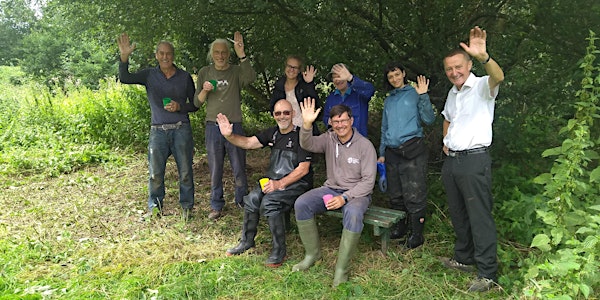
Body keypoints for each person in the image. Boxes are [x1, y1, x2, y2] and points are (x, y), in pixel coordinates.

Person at [439, 26, 504, 292]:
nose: (454, 73)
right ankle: (464, 259)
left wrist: (484, 57)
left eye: (458, 67)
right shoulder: (453, 92)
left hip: (475, 160)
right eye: (449, 69)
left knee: (479, 216)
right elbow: (448, 118)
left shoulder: (481, 85)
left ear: (468, 64)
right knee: (459, 214)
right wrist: (445, 143)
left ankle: (488, 273)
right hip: (453, 161)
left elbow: (498, 77)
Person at [216, 99, 313, 267]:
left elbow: (303, 169)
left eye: (286, 113)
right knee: (252, 198)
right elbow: (247, 143)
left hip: (297, 183)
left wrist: (280, 183)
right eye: (278, 113)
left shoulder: (301, 136)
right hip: (273, 180)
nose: (282, 116)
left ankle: (279, 250)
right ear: (274, 116)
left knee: (270, 202)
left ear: (293, 114)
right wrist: (229, 135)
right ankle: (247, 241)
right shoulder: (273, 133)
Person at [292, 98, 377, 287]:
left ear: (351, 121)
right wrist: (306, 124)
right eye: (336, 122)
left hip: (356, 193)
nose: (340, 125)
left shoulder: (365, 146)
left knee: (353, 214)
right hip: (330, 188)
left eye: (344, 121)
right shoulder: (329, 138)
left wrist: (345, 197)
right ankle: (312, 255)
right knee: (301, 203)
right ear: (331, 123)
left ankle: (341, 270)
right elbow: (308, 144)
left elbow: (368, 183)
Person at [117, 33, 198, 221]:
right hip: (158, 130)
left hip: (181, 129)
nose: (165, 57)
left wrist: (180, 106)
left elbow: (194, 105)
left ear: (173, 55)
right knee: (155, 173)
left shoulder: (185, 77)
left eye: (168, 54)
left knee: (185, 172)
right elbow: (125, 78)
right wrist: (124, 57)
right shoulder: (149, 75)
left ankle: (186, 208)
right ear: (156, 55)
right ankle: (155, 208)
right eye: (161, 53)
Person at [194, 31, 257, 220]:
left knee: (239, 165)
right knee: (215, 167)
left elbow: (251, 78)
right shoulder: (205, 72)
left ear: (228, 54)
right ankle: (216, 204)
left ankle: (241, 200)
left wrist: (242, 54)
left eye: (224, 52)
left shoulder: (236, 71)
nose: (220, 56)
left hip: (234, 125)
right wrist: (205, 91)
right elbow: (197, 103)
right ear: (211, 54)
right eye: (217, 52)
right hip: (213, 126)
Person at [378, 63, 436, 249]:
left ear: (403, 73)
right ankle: (400, 228)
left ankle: (416, 235)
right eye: (390, 77)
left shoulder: (414, 93)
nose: (394, 79)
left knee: (414, 194)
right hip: (391, 152)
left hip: (412, 149)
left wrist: (423, 95)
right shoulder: (389, 100)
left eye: (397, 74)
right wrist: (381, 153)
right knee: (395, 194)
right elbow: (384, 128)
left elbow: (429, 119)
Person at [269, 55, 320, 132]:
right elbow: (272, 109)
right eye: (289, 66)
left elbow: (316, 106)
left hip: (306, 130)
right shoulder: (279, 86)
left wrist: (309, 84)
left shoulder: (304, 85)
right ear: (285, 67)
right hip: (286, 131)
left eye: (295, 67)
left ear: (299, 70)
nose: (291, 70)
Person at [322, 63, 375, 137]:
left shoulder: (359, 95)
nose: (337, 80)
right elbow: (326, 117)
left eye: (339, 76)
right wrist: (330, 121)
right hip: (337, 142)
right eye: (334, 77)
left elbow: (370, 89)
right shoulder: (331, 98)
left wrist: (351, 78)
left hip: (358, 143)